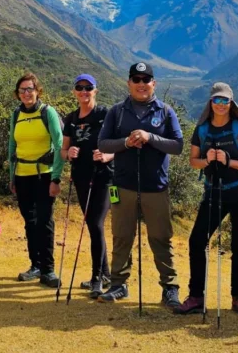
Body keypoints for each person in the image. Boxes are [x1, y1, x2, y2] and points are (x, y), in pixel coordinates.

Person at [96, 62, 183, 310]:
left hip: (156, 187)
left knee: (160, 238)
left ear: (154, 84)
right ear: (129, 83)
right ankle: (118, 284)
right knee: (122, 236)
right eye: (137, 79)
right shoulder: (117, 112)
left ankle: (170, 288)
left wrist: (150, 138)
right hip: (122, 186)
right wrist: (126, 142)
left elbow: (177, 146)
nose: (141, 84)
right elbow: (103, 144)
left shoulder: (166, 112)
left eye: (146, 80)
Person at [175, 82, 238, 316]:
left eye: (225, 101)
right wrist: (207, 160)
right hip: (214, 193)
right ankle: (196, 297)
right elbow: (193, 161)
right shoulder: (202, 129)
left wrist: (228, 161)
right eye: (217, 100)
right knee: (196, 241)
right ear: (210, 102)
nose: (221, 104)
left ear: (232, 104)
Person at [7, 72, 65, 288]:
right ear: (17, 94)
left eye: (30, 89)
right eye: (22, 90)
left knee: (45, 221)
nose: (26, 93)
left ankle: (48, 270)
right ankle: (36, 265)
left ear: (38, 90)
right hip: (22, 175)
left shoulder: (47, 112)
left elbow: (59, 145)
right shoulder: (15, 115)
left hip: (44, 175)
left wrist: (56, 178)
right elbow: (12, 146)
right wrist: (11, 176)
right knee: (30, 223)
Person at [61, 74, 114, 297]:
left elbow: (118, 145)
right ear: (74, 91)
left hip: (104, 178)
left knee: (95, 224)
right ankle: (106, 274)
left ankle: (96, 278)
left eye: (88, 88)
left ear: (95, 90)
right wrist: (68, 152)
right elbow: (63, 151)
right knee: (93, 225)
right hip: (81, 178)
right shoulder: (71, 118)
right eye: (79, 88)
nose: (84, 91)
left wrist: (107, 155)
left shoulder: (105, 114)